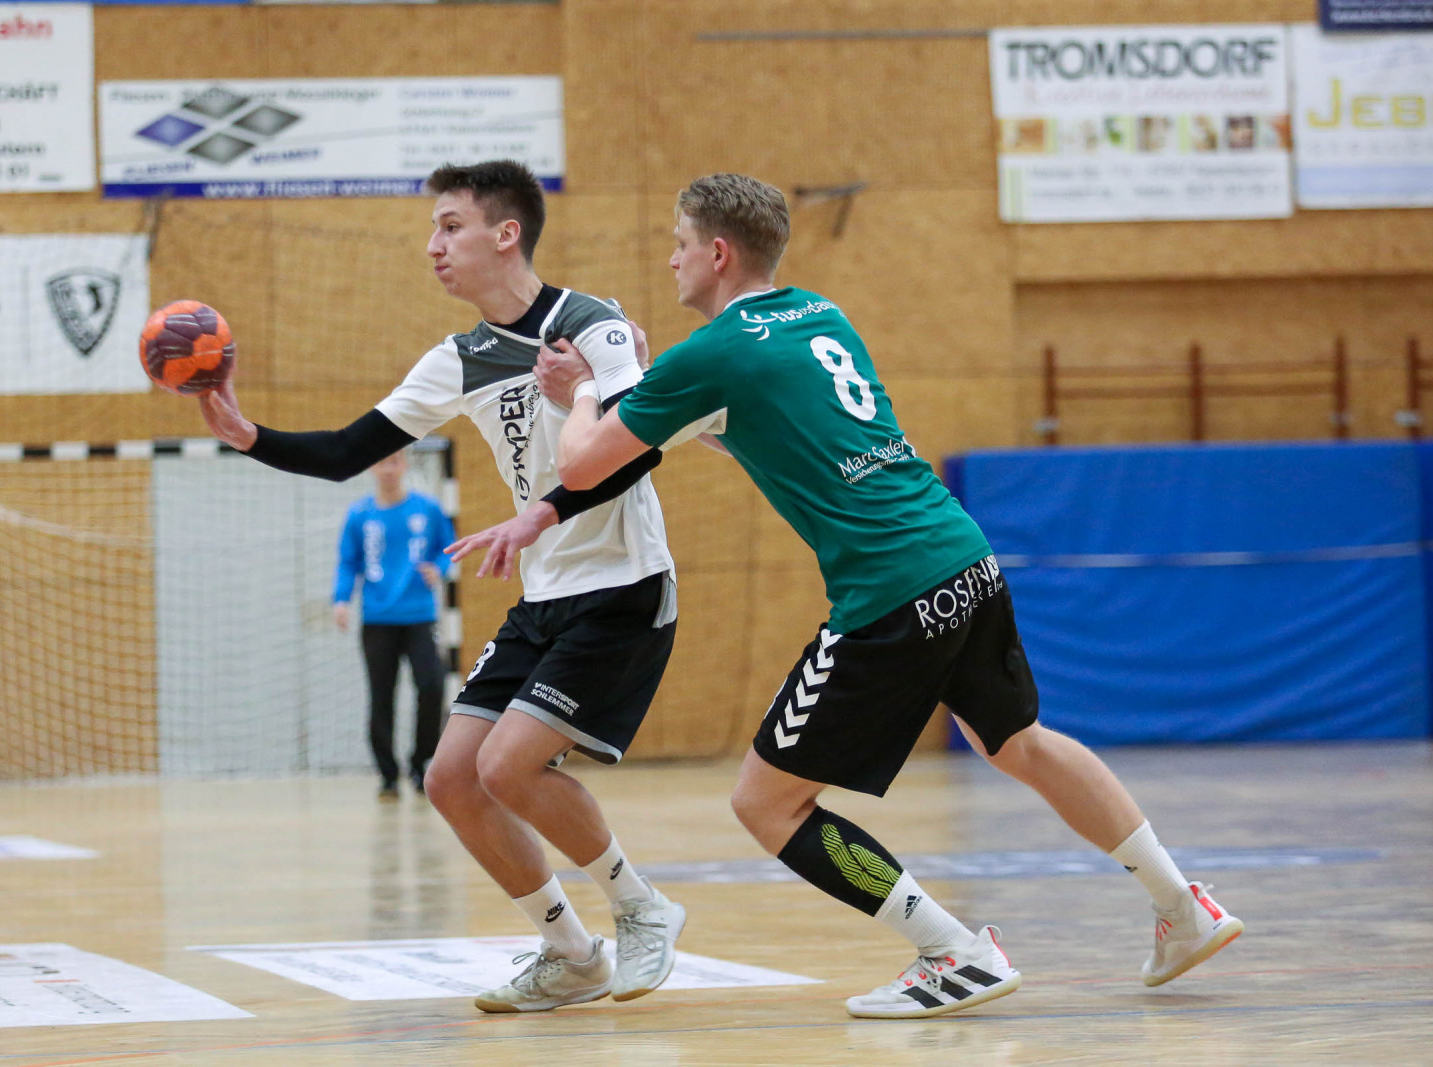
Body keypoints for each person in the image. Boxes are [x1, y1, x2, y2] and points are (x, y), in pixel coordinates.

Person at [474, 172, 1243, 1019]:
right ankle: (1182, 905)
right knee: (1018, 741)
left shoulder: (713, 353)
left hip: (889, 589)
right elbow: (766, 428)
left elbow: (583, 463)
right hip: (963, 556)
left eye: (680, 244)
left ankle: (955, 952)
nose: (671, 260)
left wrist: (584, 390)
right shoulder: (818, 313)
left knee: (766, 802)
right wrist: (656, 386)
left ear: (718, 253)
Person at [197, 160, 709, 1014]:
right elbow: (345, 451)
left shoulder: (594, 327)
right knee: (451, 779)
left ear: (505, 233)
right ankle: (571, 954)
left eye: (449, 226)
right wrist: (250, 435)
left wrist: (536, 513)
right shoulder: (459, 359)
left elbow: (636, 450)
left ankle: (642, 906)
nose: (433, 245)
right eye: (433, 229)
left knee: (509, 767)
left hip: (623, 584)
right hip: (544, 594)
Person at [332, 449, 454, 799]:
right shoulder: (359, 515)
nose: (388, 469)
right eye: (381, 462)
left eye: (395, 461)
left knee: (431, 685)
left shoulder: (428, 508)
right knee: (381, 695)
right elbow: (348, 561)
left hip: (420, 617)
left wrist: (439, 568)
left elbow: (448, 546)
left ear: (404, 465)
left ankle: (422, 762)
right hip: (377, 619)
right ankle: (388, 774)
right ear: (372, 466)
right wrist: (341, 600)